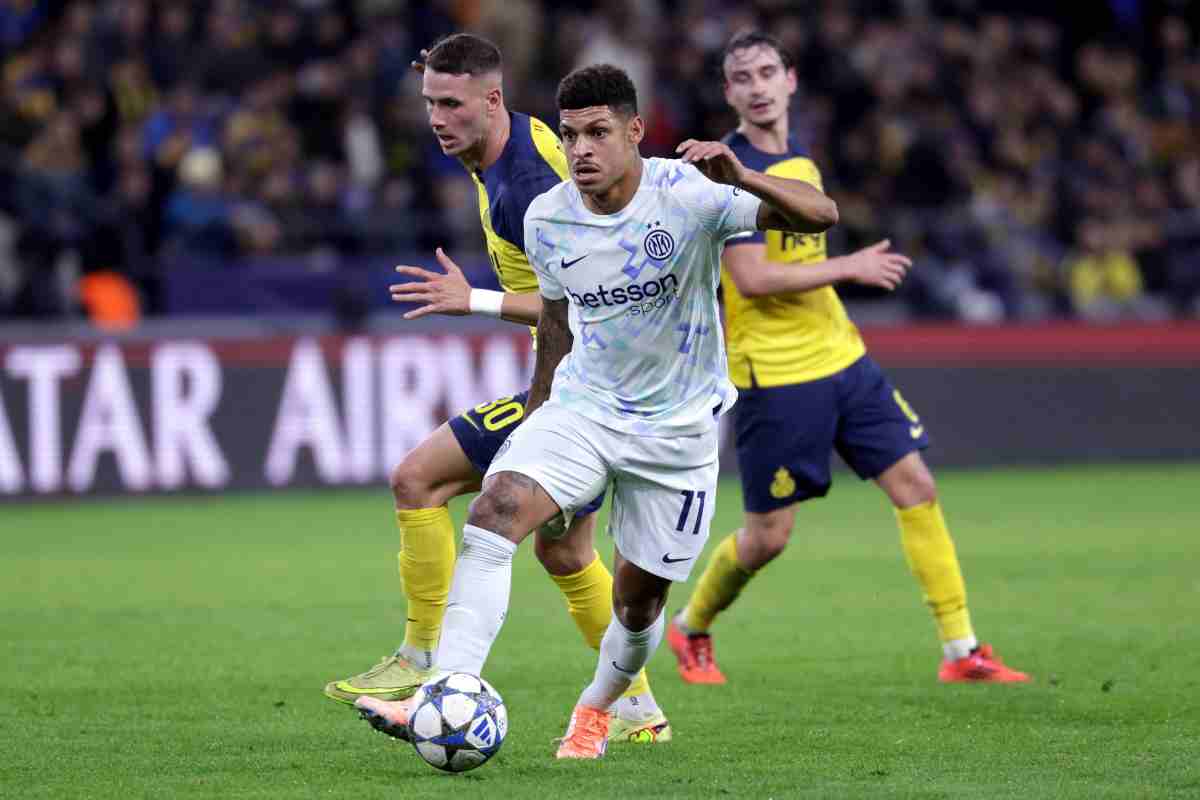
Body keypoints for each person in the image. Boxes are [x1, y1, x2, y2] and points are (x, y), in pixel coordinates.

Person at [354, 62, 838, 760]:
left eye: (598, 133)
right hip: (583, 410)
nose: (580, 149)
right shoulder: (550, 217)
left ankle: (599, 707)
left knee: (637, 607)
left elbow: (822, 214)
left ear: (635, 133)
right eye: (572, 133)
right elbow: (556, 324)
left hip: (677, 432)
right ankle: (446, 690)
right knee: (494, 510)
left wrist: (745, 177)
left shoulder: (690, 194)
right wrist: (536, 418)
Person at [322, 33, 671, 744]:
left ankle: (422, 661)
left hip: (592, 379)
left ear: (493, 100)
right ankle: (638, 713)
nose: (437, 119)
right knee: (566, 553)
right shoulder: (515, 146)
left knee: (418, 479)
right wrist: (441, 58)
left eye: (452, 103)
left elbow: (578, 297)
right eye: (429, 103)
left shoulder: (524, 191)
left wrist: (473, 300)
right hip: (592, 373)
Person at [665, 31, 1030, 685]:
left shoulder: (798, 157)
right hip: (774, 375)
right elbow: (752, 280)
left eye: (767, 71)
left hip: (843, 359)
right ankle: (691, 628)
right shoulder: (726, 171)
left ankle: (961, 650)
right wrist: (851, 266)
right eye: (741, 77)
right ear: (729, 93)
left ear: (790, 80)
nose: (756, 85)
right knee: (768, 537)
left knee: (916, 486)